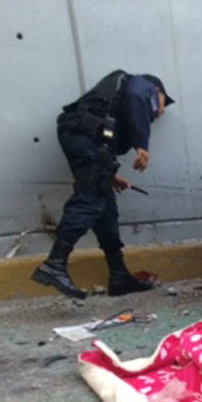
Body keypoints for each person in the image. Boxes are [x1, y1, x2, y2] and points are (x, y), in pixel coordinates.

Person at [32, 71, 175, 299]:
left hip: (85, 137)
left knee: (105, 206)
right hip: (85, 135)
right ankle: (54, 264)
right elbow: (137, 96)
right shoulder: (141, 85)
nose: (161, 111)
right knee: (90, 198)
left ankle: (119, 276)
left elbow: (102, 144)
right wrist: (141, 145)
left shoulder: (116, 98)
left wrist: (111, 175)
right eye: (163, 103)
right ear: (158, 91)